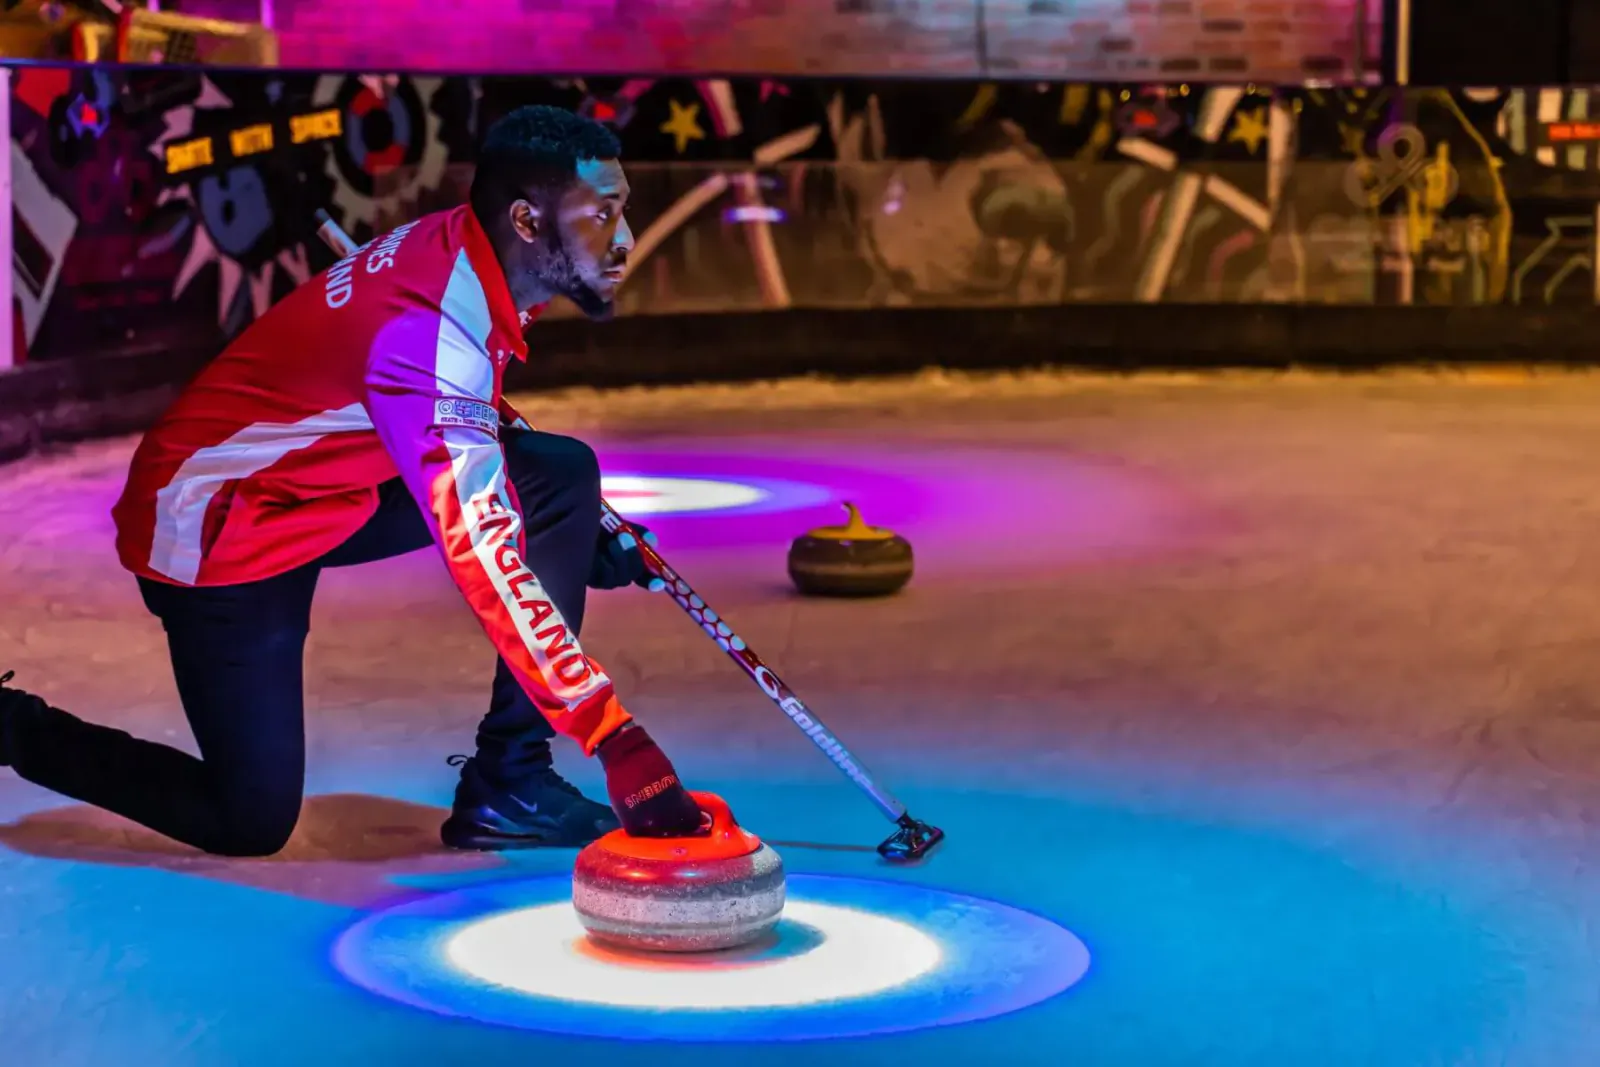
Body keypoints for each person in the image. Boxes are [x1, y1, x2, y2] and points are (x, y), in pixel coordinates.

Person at [0, 105, 706, 857]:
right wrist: (609, 730)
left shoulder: (466, 250)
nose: (624, 239)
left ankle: (512, 781)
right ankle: (14, 724)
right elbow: (485, 552)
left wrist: (577, 533)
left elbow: (465, 418)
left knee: (560, 479)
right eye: (602, 216)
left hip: (325, 489)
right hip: (219, 525)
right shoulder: (428, 330)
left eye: (621, 210)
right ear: (527, 222)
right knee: (250, 819)